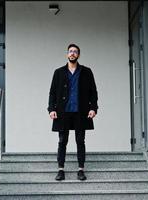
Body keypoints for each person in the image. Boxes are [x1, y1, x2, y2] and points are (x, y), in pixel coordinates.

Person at [48, 43, 98, 181]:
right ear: (67, 54)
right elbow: (52, 92)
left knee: (80, 140)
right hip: (63, 112)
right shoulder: (58, 72)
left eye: (75, 52)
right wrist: (51, 109)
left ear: (78, 55)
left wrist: (93, 108)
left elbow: (93, 92)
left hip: (80, 112)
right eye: (70, 51)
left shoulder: (86, 72)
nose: (72, 53)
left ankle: (81, 169)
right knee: (62, 140)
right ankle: (60, 170)